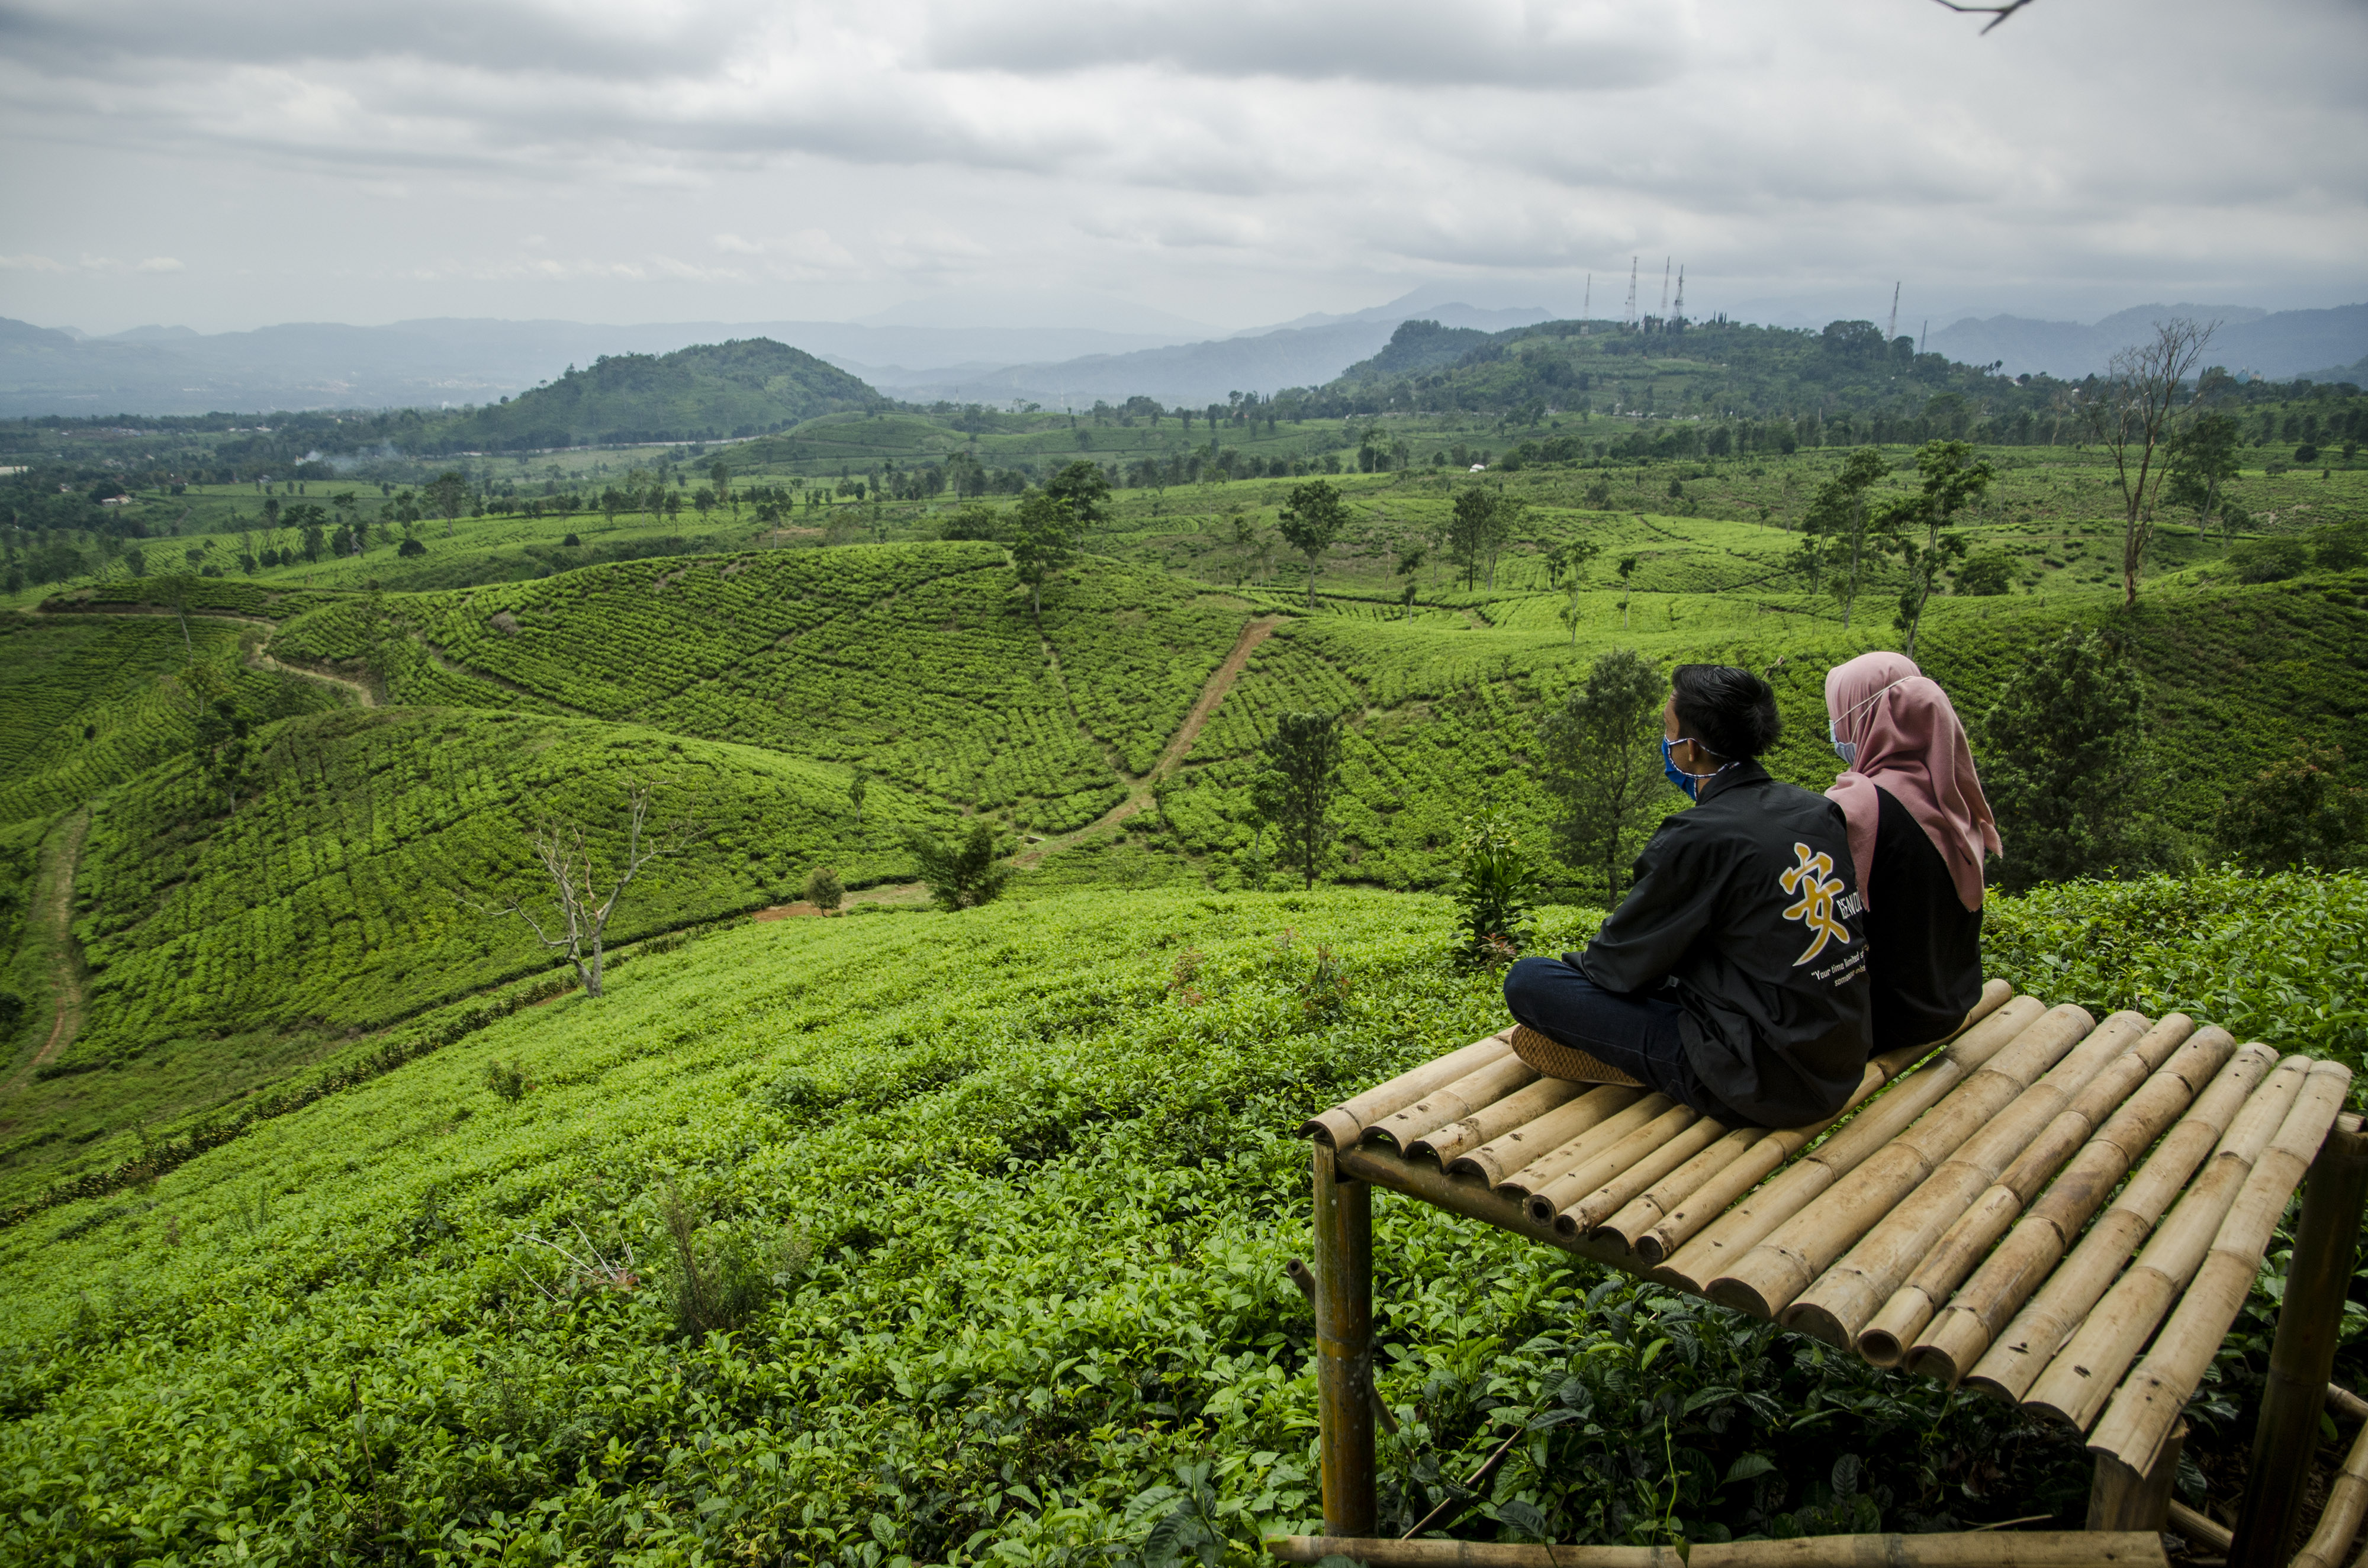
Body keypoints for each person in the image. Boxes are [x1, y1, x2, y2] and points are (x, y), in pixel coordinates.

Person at [1503, 664, 1872, 1129]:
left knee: (1530, 980)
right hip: (1840, 1058)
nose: (1666, 741)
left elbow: (1614, 966)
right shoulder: (1818, 810)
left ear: (1690, 750)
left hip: (1763, 1079)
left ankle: (1635, 1059)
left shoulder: (1700, 834)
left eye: (1668, 730)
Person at [1822, 651, 2000, 1050]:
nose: (1834, 730)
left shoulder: (1859, 807)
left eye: (1838, 717)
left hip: (1890, 1019)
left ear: (1864, 717)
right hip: (1955, 1000)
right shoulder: (1951, 789)